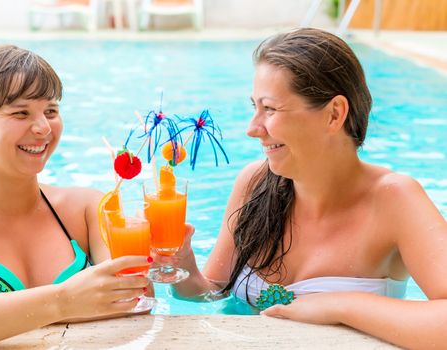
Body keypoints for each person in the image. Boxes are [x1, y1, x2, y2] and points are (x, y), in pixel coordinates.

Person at [173, 28, 447, 349]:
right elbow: (211, 292)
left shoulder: (394, 200)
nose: (252, 129)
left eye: (270, 109)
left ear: (334, 114)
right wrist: (182, 269)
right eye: (255, 107)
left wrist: (340, 306)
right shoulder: (255, 184)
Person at [0, 45, 152, 349]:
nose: (43, 128)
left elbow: (135, 297)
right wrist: (65, 302)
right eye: (21, 113)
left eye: (51, 111)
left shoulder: (88, 208)